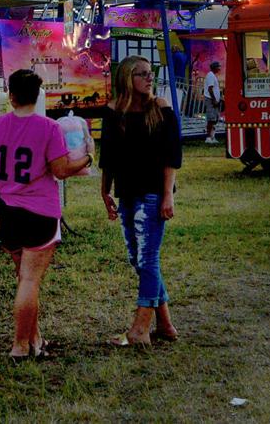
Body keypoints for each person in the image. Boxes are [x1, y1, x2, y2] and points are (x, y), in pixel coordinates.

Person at [0, 69, 93, 358]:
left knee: (24, 279)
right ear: (39, 93)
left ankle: (34, 340)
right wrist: (88, 156)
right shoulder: (49, 128)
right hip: (40, 213)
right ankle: (19, 344)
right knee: (29, 281)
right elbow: (61, 170)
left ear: (11, 95)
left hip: (9, 213)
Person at [100, 56, 182, 347]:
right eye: (143, 74)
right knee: (138, 259)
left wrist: (168, 194)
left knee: (148, 258)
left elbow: (173, 156)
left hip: (153, 192)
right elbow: (108, 157)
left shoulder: (160, 109)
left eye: (151, 73)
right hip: (127, 191)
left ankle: (140, 328)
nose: (150, 78)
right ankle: (166, 325)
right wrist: (104, 190)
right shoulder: (113, 112)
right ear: (127, 77)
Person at [203, 61, 222, 144]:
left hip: (215, 101)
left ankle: (213, 136)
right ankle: (208, 137)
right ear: (214, 67)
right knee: (211, 119)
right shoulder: (210, 75)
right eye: (218, 67)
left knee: (215, 119)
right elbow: (210, 89)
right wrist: (214, 99)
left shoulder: (213, 76)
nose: (219, 68)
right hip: (211, 100)